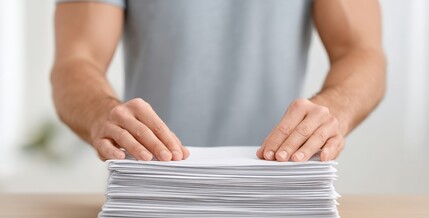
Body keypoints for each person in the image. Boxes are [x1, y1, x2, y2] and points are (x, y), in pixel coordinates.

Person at [51, 0, 385, 162]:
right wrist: (100, 114)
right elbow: (76, 60)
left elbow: (362, 52)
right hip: (155, 196)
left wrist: (335, 109)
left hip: (278, 195)